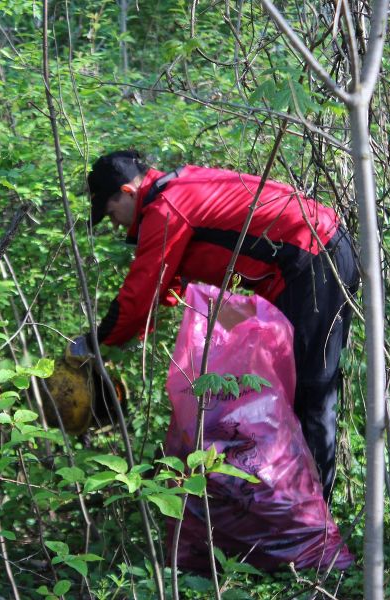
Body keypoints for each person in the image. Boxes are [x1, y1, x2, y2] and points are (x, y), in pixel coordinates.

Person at [70, 150, 359, 503]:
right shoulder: (178, 189)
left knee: (310, 393)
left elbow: (141, 293)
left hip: (313, 259)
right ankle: (283, 506)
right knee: (280, 391)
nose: (114, 223)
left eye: (111, 212)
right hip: (308, 260)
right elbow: (169, 286)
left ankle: (312, 525)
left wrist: (94, 342)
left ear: (129, 193)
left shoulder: (167, 208)